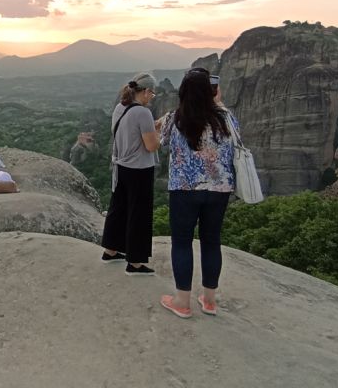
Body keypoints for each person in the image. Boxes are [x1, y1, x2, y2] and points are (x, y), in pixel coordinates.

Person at [158, 69, 236, 319]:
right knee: (211, 241)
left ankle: (182, 302)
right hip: (219, 189)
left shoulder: (176, 117)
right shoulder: (226, 118)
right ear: (210, 92)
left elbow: (159, 141)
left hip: (184, 189)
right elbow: (237, 142)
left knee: (182, 242)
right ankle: (209, 301)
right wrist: (219, 104)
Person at [101, 72, 160, 275]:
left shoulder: (120, 108)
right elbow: (151, 146)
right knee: (139, 214)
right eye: (152, 93)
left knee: (119, 208)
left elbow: (131, 133)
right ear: (144, 91)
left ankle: (110, 250)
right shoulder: (143, 113)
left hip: (122, 167)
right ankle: (135, 262)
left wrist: (154, 126)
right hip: (140, 170)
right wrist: (162, 133)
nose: (152, 97)